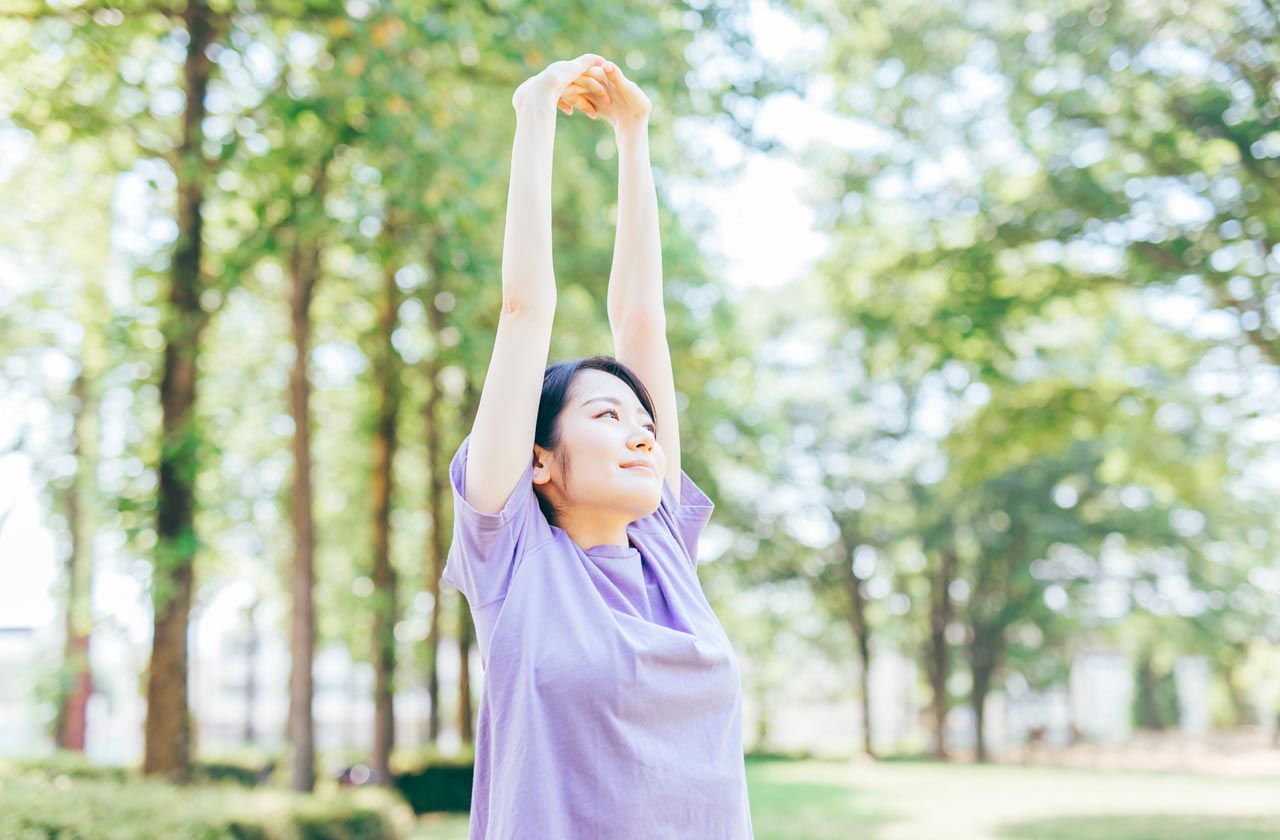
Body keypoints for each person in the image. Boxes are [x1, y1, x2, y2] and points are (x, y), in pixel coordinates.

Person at [441, 53, 754, 838]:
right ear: (538, 462)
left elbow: (642, 321)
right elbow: (523, 307)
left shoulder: (664, 551)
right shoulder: (512, 560)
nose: (644, 431)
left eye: (643, 420)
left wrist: (634, 132)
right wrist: (535, 111)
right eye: (606, 417)